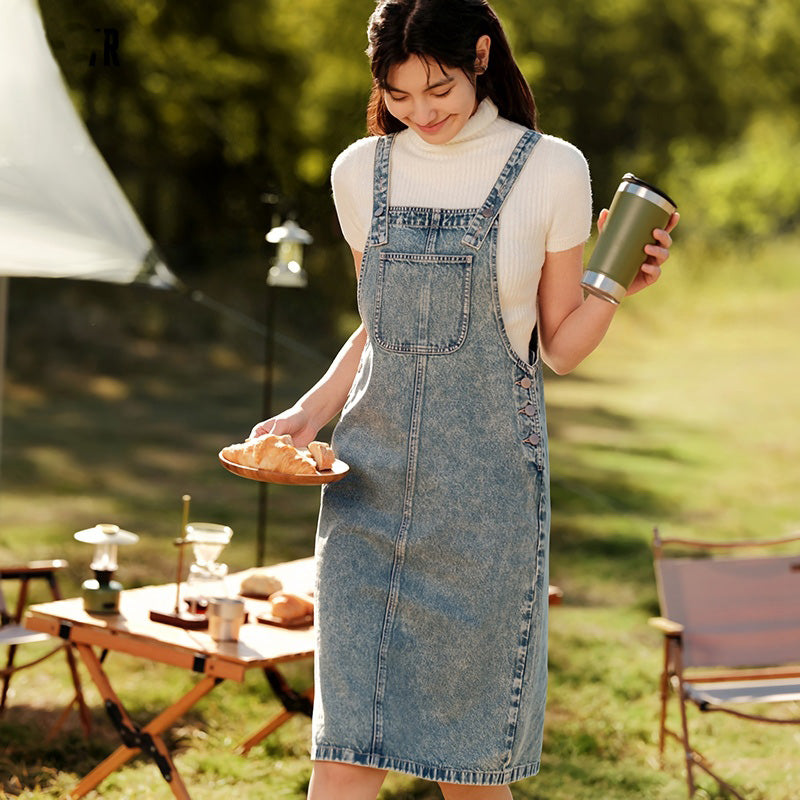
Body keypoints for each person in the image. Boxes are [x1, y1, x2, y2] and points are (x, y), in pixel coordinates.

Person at [250, 1, 678, 797]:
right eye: (400, 95)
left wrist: (614, 284)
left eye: (438, 88)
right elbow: (381, 325)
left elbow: (560, 345)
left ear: (480, 56)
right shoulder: (359, 171)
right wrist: (311, 412)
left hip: (486, 501)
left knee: (473, 765)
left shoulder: (553, 167)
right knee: (343, 749)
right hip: (365, 495)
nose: (421, 112)